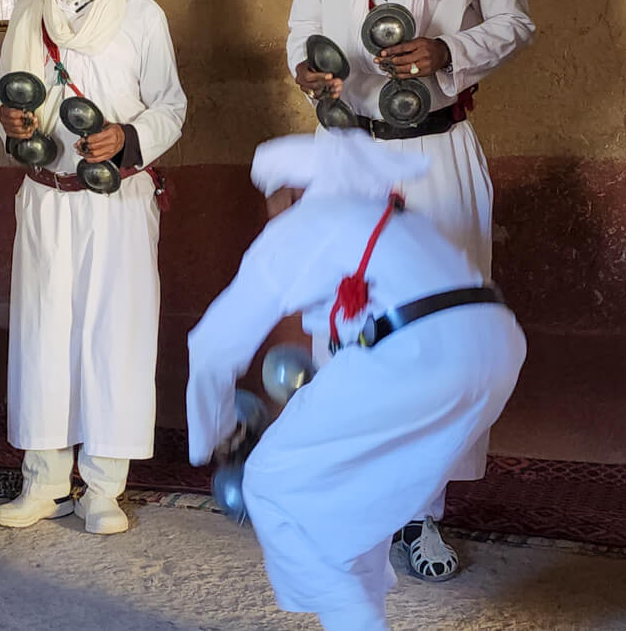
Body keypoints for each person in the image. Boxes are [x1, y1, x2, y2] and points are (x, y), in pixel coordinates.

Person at [285, 0, 534, 580]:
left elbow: (514, 18)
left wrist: (447, 52)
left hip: (437, 151)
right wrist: (311, 70)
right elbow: (303, 26)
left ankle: (422, 517)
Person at [187, 130, 525, 631]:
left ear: (293, 192)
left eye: (272, 199)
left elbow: (212, 345)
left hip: (420, 355)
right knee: (360, 499)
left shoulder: (306, 223)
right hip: (494, 349)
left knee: (274, 488)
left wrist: (215, 434)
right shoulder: (395, 220)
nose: (271, 212)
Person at [0, 0, 187, 535]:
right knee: (43, 334)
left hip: (117, 202)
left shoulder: (143, 17)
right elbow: (6, 105)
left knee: (113, 334)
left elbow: (171, 107)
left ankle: (102, 487)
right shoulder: (29, 12)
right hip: (46, 199)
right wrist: (13, 125)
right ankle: (42, 481)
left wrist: (128, 138)